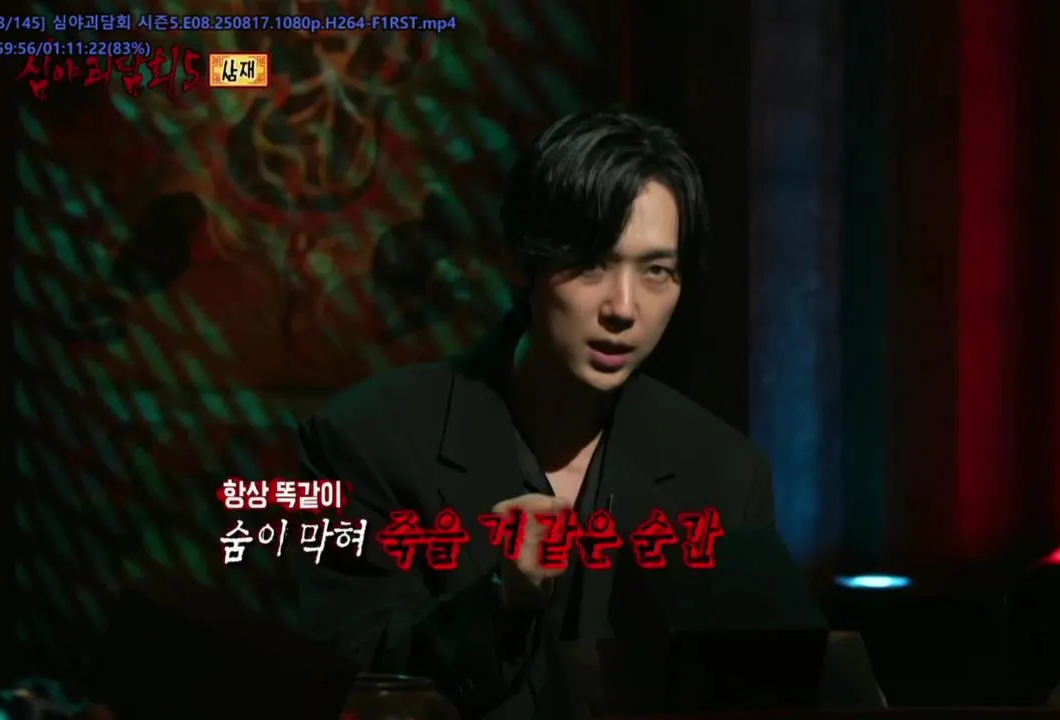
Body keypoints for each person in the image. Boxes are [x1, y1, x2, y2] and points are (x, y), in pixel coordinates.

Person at [294, 109, 775, 720]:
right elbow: (350, 680)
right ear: (520, 262)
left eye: (657, 271)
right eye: (592, 263)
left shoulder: (724, 475)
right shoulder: (369, 440)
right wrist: (500, 597)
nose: (624, 308)